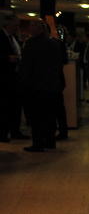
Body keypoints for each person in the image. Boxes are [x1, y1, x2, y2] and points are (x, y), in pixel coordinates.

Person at [18, 20, 66, 152]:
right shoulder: (53, 44)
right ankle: (50, 141)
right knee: (49, 115)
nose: (30, 29)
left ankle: (38, 143)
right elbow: (59, 64)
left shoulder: (31, 44)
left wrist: (23, 82)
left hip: (35, 86)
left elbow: (26, 66)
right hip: (51, 85)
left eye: (31, 27)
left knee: (36, 116)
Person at [0, 14, 28, 142]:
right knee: (5, 106)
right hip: (4, 78)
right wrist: (7, 58)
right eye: (15, 24)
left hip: (15, 77)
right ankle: (3, 133)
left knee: (15, 106)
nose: (17, 27)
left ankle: (15, 131)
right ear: (8, 24)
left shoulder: (14, 38)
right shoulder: (1, 37)